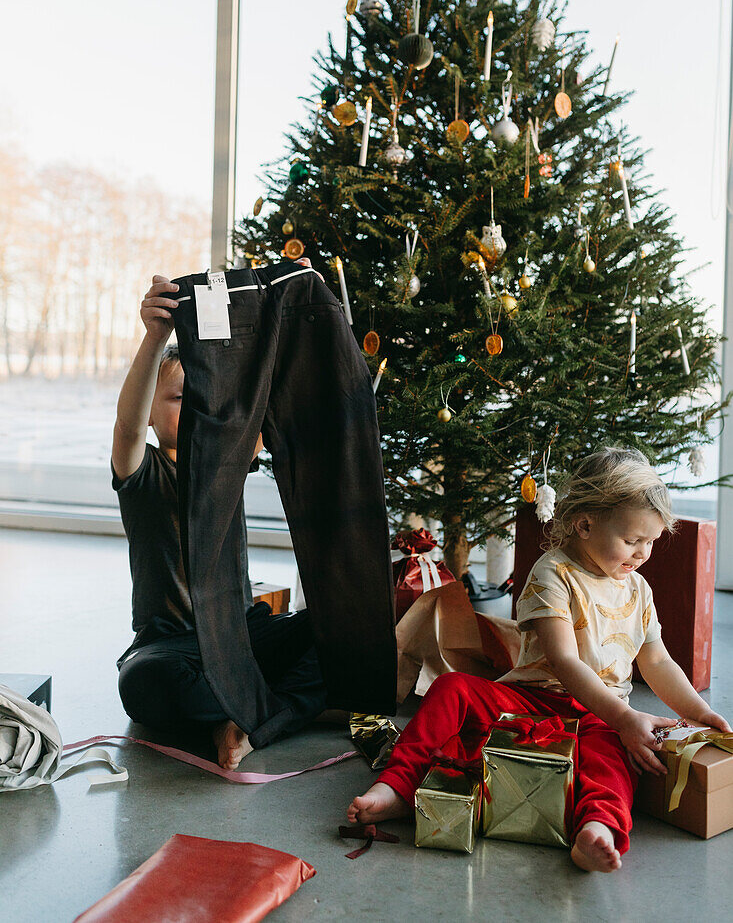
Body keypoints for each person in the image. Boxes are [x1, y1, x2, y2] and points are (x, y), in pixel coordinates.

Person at [347, 447, 731, 872]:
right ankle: (398, 788)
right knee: (451, 688)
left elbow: (657, 662)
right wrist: (625, 717)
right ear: (584, 525)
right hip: (529, 700)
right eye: (631, 540)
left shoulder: (638, 590)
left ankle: (596, 829)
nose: (642, 554)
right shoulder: (553, 573)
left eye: (651, 542)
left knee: (616, 759)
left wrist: (698, 712)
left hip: (598, 715)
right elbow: (565, 661)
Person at [112, 274, 327, 770]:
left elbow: (258, 397)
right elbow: (126, 423)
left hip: (242, 637)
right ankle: (269, 709)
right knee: (144, 685)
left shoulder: (229, 459)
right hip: (173, 647)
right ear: (152, 413)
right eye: (180, 399)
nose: (195, 412)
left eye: (203, 401)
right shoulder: (144, 471)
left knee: (342, 630)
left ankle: (247, 716)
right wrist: (155, 337)